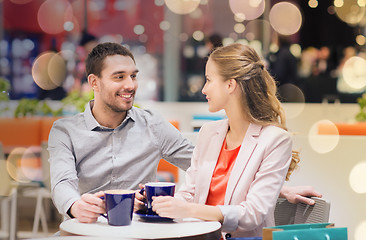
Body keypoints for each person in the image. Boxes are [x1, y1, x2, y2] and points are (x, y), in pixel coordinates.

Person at [48, 42, 321, 225]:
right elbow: (62, 184)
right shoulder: (65, 131)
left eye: (133, 76)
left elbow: (208, 166)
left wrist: (276, 188)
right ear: (94, 83)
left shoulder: (152, 124)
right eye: (119, 77)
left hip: (140, 232)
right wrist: (74, 206)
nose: (131, 85)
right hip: (88, 229)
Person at [149, 43, 304, 238]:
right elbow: (189, 193)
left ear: (230, 85)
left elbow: (252, 214)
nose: (204, 89)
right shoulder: (208, 133)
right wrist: (163, 205)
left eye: (208, 80)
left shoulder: (275, 140)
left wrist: (188, 210)